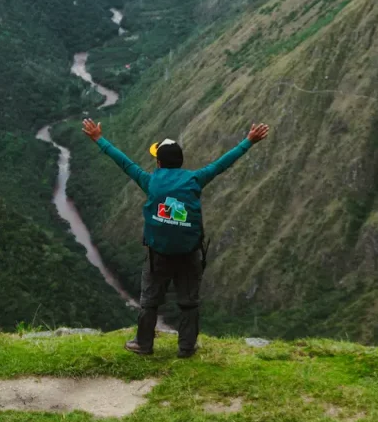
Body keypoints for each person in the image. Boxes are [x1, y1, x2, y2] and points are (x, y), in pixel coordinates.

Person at [82, 119, 270, 357]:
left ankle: (143, 344)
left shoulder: (150, 181)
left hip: (158, 254)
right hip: (189, 253)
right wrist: (249, 141)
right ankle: (187, 347)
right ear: (180, 163)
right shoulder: (194, 179)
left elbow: (124, 163)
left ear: (159, 163)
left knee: (149, 300)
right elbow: (222, 163)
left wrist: (99, 138)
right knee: (188, 302)